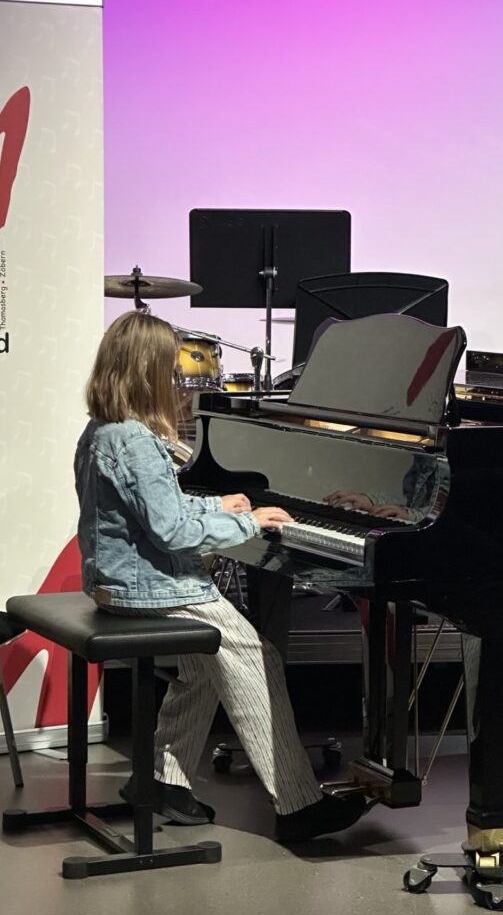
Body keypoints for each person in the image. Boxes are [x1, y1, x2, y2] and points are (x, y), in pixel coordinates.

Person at [74, 309, 366, 842]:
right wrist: (248, 521)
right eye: (170, 370)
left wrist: (218, 506)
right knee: (255, 655)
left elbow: (152, 510)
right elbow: (172, 531)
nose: (177, 382)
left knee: (201, 665)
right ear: (147, 372)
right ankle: (298, 806)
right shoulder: (136, 440)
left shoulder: (104, 430)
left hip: (117, 579)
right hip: (150, 586)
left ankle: (162, 779)